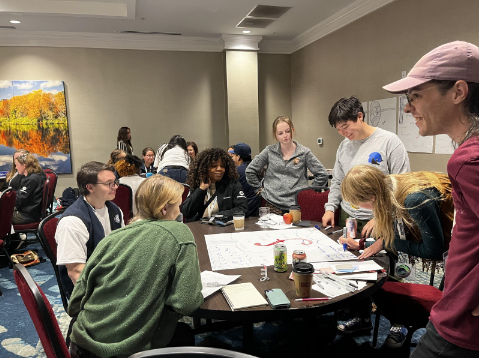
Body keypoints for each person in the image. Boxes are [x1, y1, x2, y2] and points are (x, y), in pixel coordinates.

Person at [382, 41, 479, 358]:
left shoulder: (469, 159)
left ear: (457, 92)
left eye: (415, 96)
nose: (408, 108)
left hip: (461, 326)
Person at [68, 175, 203, 357]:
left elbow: (75, 303)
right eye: (178, 206)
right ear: (164, 208)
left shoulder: (111, 239)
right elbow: (186, 303)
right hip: (126, 351)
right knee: (183, 333)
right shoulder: (179, 233)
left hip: (80, 344)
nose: (179, 212)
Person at [338, 165, 453, 346]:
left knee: (381, 285)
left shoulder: (414, 199)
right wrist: (362, 244)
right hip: (419, 260)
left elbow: (433, 250)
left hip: (445, 263)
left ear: (372, 198)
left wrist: (386, 243)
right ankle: (377, 320)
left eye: (357, 203)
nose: (359, 208)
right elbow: (400, 233)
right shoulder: (389, 186)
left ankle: (401, 323)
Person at [322, 97, 410, 238]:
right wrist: (330, 208)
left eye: (345, 127)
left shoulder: (389, 142)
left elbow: (401, 186)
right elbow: (338, 181)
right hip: (348, 216)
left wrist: (382, 216)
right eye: (338, 129)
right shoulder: (344, 146)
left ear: (360, 116)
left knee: (376, 258)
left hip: (377, 218)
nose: (343, 133)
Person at [55, 161, 124, 298]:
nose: (115, 187)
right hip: (89, 294)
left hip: (111, 278)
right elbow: (76, 273)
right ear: (90, 187)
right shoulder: (72, 222)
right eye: (108, 183)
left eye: (115, 182)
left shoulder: (114, 211)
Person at [246, 116, 328, 214]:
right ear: (275, 135)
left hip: (296, 204)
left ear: (293, 130)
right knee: (272, 229)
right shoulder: (269, 151)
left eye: (287, 131)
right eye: (280, 133)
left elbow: (322, 174)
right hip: (272, 202)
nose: (285, 135)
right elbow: (250, 171)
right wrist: (258, 190)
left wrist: (308, 192)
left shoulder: (304, 152)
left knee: (296, 229)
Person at [182, 147, 248, 221]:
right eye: (214, 166)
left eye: (222, 166)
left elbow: (243, 209)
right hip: (200, 228)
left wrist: (218, 216)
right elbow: (186, 212)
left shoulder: (233, 184)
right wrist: (201, 189)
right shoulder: (197, 184)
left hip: (223, 228)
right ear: (205, 168)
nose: (219, 169)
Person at [12, 153, 46, 224]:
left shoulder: (32, 180)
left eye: (17, 165)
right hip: (29, 213)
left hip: (26, 215)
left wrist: (6, 197)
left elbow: (19, 201)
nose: (16, 168)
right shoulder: (35, 176)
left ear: (24, 166)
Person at [231, 143, 260, 217]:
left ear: (238, 157)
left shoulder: (238, 171)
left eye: (233, 156)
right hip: (257, 210)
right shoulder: (258, 168)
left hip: (244, 211)